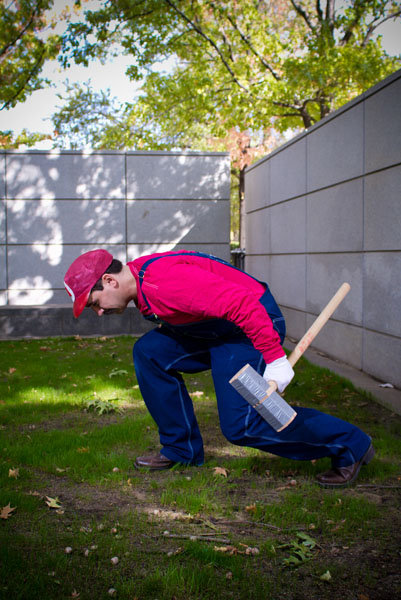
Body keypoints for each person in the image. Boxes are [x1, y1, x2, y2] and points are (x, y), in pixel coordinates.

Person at [64, 248, 374, 488]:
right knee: (150, 352)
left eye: (94, 302)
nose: (99, 312)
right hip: (216, 327)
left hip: (250, 325)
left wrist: (275, 358)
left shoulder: (164, 283)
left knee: (242, 425)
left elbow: (242, 304)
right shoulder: (143, 282)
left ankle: (351, 445)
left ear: (109, 280)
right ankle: (180, 449)